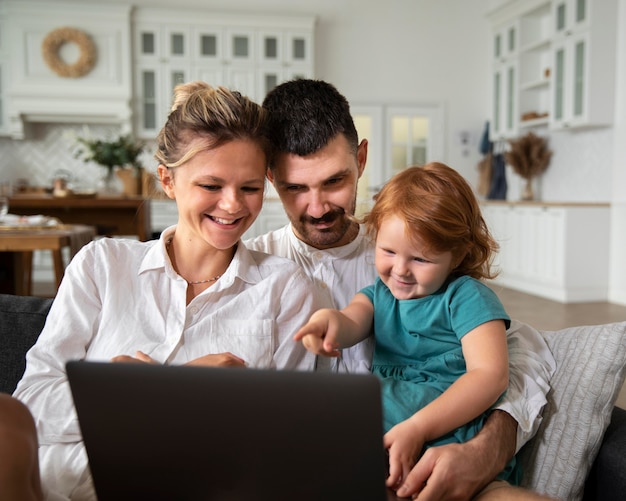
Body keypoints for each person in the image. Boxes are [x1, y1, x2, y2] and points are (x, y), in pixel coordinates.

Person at [10, 81, 327, 500]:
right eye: (211, 186)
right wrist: (147, 397)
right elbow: (29, 405)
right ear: (167, 180)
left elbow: (283, 441)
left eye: (250, 188)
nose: (232, 205)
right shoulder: (102, 265)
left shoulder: (285, 289)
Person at [245, 78, 557, 500]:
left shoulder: (406, 249)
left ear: (361, 158)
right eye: (295, 188)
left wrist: (487, 447)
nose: (316, 207)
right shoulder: (249, 268)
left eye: (334, 181)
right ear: (270, 177)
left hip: (433, 438)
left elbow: (519, 352)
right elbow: (353, 318)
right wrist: (331, 323)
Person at [295, 162, 519, 494]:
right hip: (393, 412)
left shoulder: (466, 297)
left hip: (447, 419)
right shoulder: (379, 295)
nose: (400, 270)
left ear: (456, 256)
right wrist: (328, 324)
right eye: (388, 251)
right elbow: (352, 320)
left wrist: (418, 427)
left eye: (421, 259)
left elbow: (490, 376)